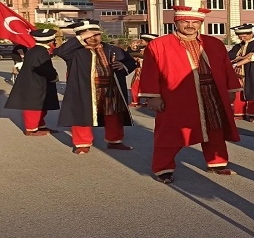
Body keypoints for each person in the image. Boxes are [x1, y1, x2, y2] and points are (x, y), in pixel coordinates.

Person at [138, 6, 241, 184]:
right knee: (170, 132)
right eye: (185, 21)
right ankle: (163, 168)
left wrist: (231, 90)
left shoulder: (214, 43)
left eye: (195, 22)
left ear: (200, 23)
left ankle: (216, 163)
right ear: (176, 22)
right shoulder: (159, 44)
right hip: (177, 95)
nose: (190, 25)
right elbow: (149, 72)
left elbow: (227, 69)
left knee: (214, 128)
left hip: (212, 92)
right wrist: (153, 96)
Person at [54, 20, 138, 154]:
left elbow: (131, 62)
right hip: (85, 89)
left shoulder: (112, 49)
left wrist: (124, 66)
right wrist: (81, 37)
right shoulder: (74, 52)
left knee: (114, 115)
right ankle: (82, 143)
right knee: (82, 115)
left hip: (111, 89)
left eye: (96, 34)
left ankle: (114, 141)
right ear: (81, 37)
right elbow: (59, 51)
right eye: (89, 36)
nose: (93, 38)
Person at [5, 29, 59, 135]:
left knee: (42, 105)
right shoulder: (40, 52)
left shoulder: (36, 50)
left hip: (38, 82)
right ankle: (31, 129)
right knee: (33, 107)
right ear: (51, 41)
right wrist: (53, 76)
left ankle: (40, 125)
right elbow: (43, 68)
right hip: (34, 83)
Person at [228, 24, 254, 122]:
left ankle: (252, 115)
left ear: (251, 34)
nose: (242, 38)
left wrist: (239, 60)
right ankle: (239, 114)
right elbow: (230, 56)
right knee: (238, 93)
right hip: (239, 74)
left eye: (244, 36)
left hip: (253, 72)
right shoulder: (238, 46)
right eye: (240, 37)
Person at [127, 33, 157, 107]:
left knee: (139, 85)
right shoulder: (143, 49)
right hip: (143, 70)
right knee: (140, 85)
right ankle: (141, 101)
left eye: (142, 40)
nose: (141, 42)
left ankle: (138, 101)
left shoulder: (151, 49)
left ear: (147, 41)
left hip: (145, 70)